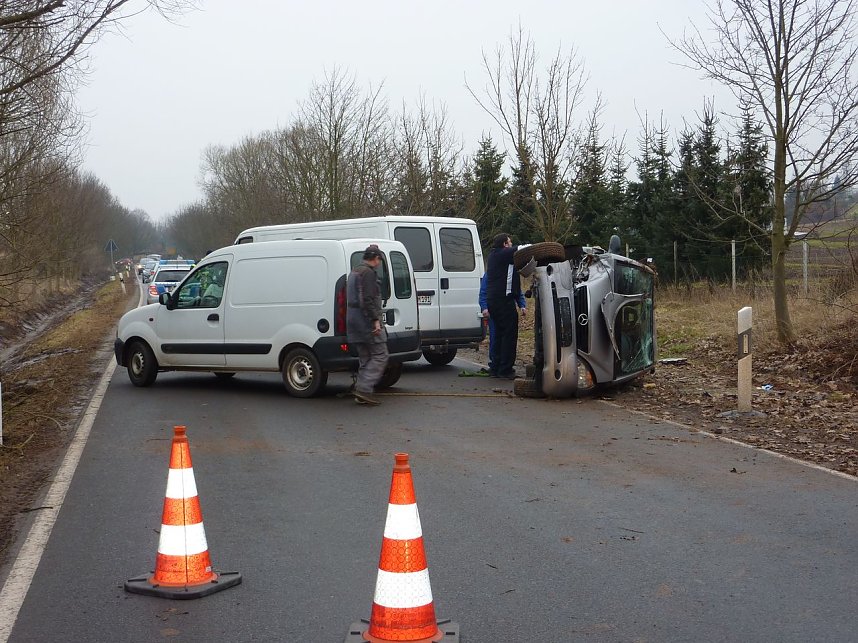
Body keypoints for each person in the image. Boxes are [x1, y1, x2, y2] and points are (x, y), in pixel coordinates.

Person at [347, 245, 389, 405]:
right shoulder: (368, 273)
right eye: (379, 259)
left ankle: (361, 392)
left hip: (353, 321)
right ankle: (364, 389)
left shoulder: (354, 271)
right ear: (375, 258)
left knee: (365, 357)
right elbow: (367, 299)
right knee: (380, 355)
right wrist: (375, 320)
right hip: (366, 321)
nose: (379, 263)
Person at [484, 232, 526, 379]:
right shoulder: (502, 254)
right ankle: (505, 370)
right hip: (504, 301)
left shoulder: (493, 256)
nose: (511, 244)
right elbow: (523, 249)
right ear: (504, 245)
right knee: (509, 335)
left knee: (499, 335)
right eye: (509, 242)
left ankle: (495, 367)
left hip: (493, 301)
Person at [479, 271, 525, 375]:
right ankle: (495, 365)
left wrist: (522, 305)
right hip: (494, 309)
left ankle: (504, 365)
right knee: (495, 337)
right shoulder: (490, 274)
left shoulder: (511, 273)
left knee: (507, 338)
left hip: (506, 309)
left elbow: (517, 291)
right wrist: (485, 308)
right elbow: (483, 292)